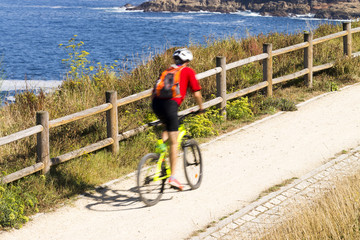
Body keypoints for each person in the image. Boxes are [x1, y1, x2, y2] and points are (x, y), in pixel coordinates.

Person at [152, 48, 204, 191]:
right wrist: (201, 108)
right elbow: (197, 94)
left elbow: (154, 91)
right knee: (174, 142)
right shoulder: (188, 71)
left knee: (167, 128)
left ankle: (160, 154)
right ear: (187, 61)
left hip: (156, 104)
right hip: (170, 105)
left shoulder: (167, 71)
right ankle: (172, 177)